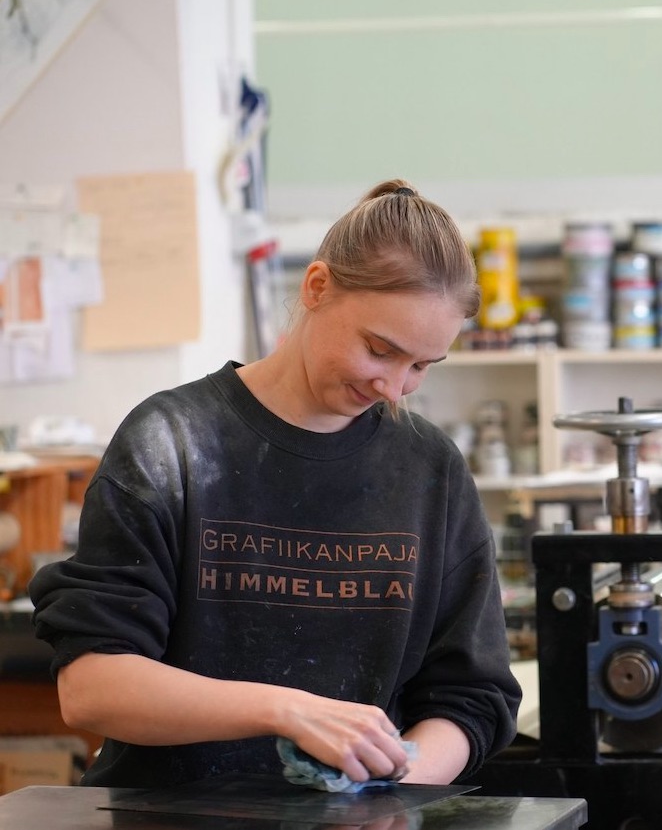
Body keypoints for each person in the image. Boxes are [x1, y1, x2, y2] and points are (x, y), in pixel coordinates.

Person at [29, 180, 522, 789]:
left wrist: (386, 793)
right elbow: (92, 687)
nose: (393, 388)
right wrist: (287, 711)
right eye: (379, 350)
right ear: (317, 287)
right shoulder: (172, 442)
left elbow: (471, 697)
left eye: (420, 365)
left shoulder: (430, 469)